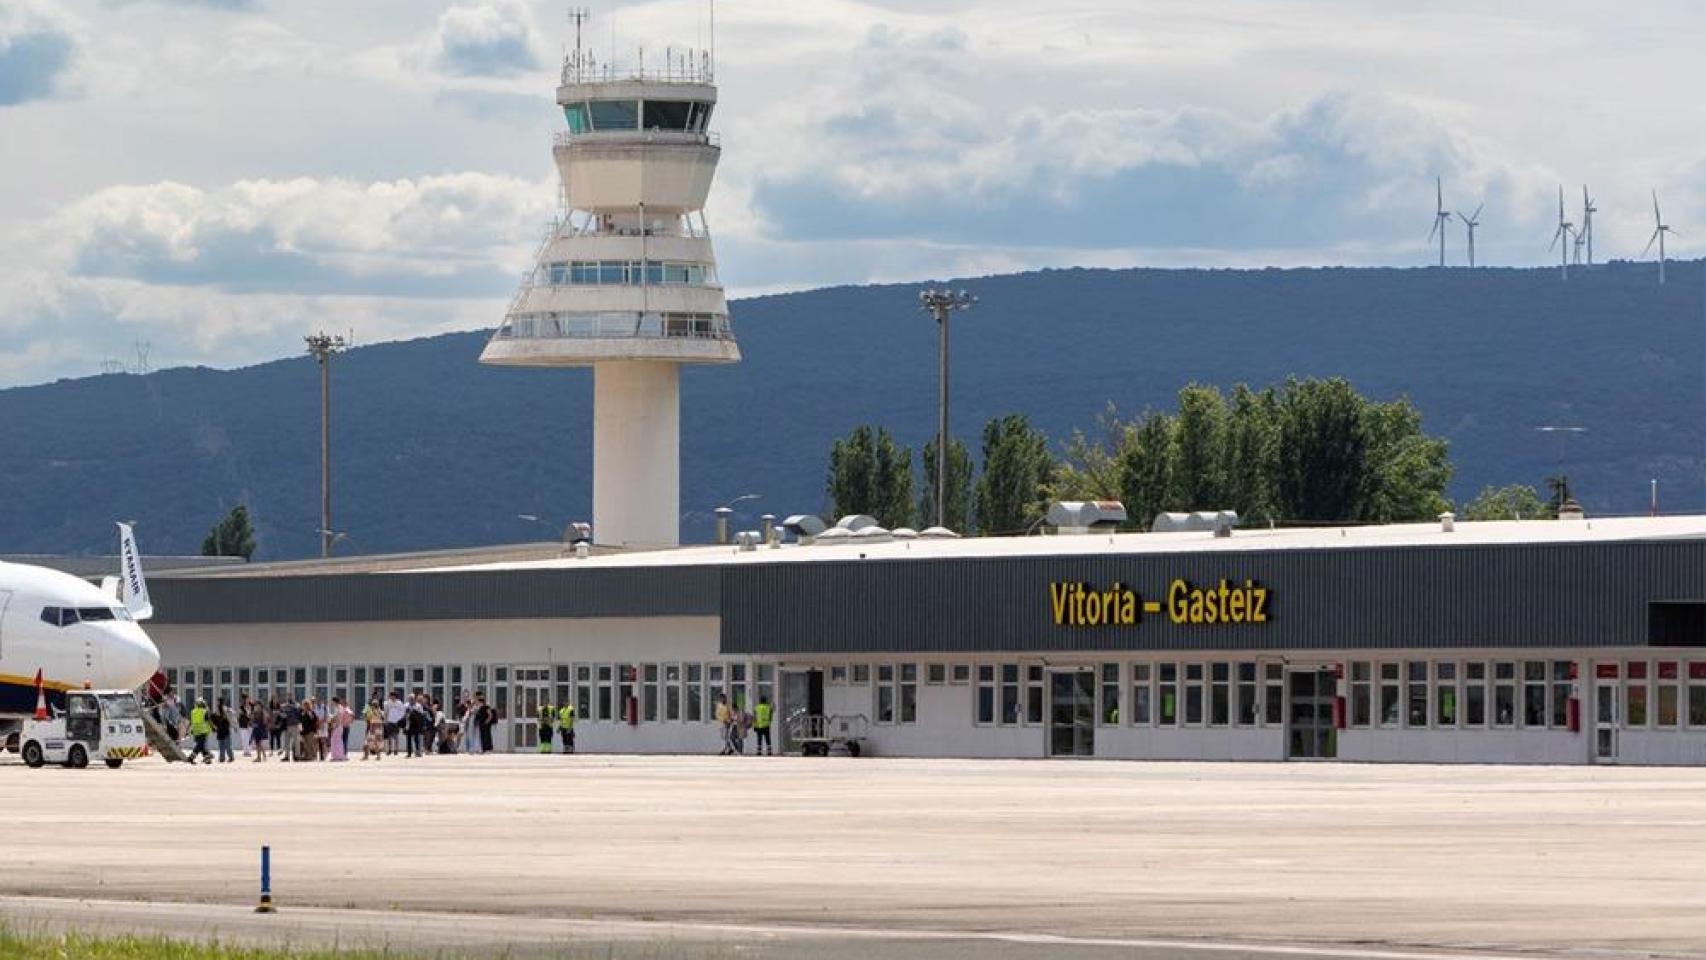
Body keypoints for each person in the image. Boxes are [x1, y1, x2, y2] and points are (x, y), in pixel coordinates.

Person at [186, 697, 214, 764]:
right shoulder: (204, 711)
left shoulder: (193, 711)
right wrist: (213, 727)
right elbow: (208, 721)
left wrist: (187, 731)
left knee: (201, 745)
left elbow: (190, 722)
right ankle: (191, 757)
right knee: (200, 745)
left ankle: (207, 759)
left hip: (195, 731)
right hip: (203, 731)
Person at [328, 697, 350, 761]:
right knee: (336, 741)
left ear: (335, 702)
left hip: (338, 726)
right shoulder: (339, 708)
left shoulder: (338, 708)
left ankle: (338, 756)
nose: (332, 703)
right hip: (339, 726)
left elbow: (338, 718)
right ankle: (337, 755)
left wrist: (334, 725)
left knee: (336, 741)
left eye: (332, 702)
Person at [212, 697, 235, 763]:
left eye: (218, 701)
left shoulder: (225, 709)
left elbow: (230, 716)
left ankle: (231, 757)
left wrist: (232, 724)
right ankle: (222, 758)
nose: (218, 703)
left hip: (225, 730)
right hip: (220, 730)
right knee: (221, 746)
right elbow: (215, 718)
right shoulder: (217, 709)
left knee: (227, 746)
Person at [383, 692, 405, 756]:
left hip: (396, 722)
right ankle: (389, 749)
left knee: (396, 736)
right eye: (390, 696)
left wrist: (399, 719)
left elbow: (402, 712)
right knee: (389, 737)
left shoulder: (399, 703)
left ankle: (396, 750)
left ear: (395, 696)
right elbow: (385, 712)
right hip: (389, 721)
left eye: (392, 696)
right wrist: (385, 721)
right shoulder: (387, 703)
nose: (391, 697)